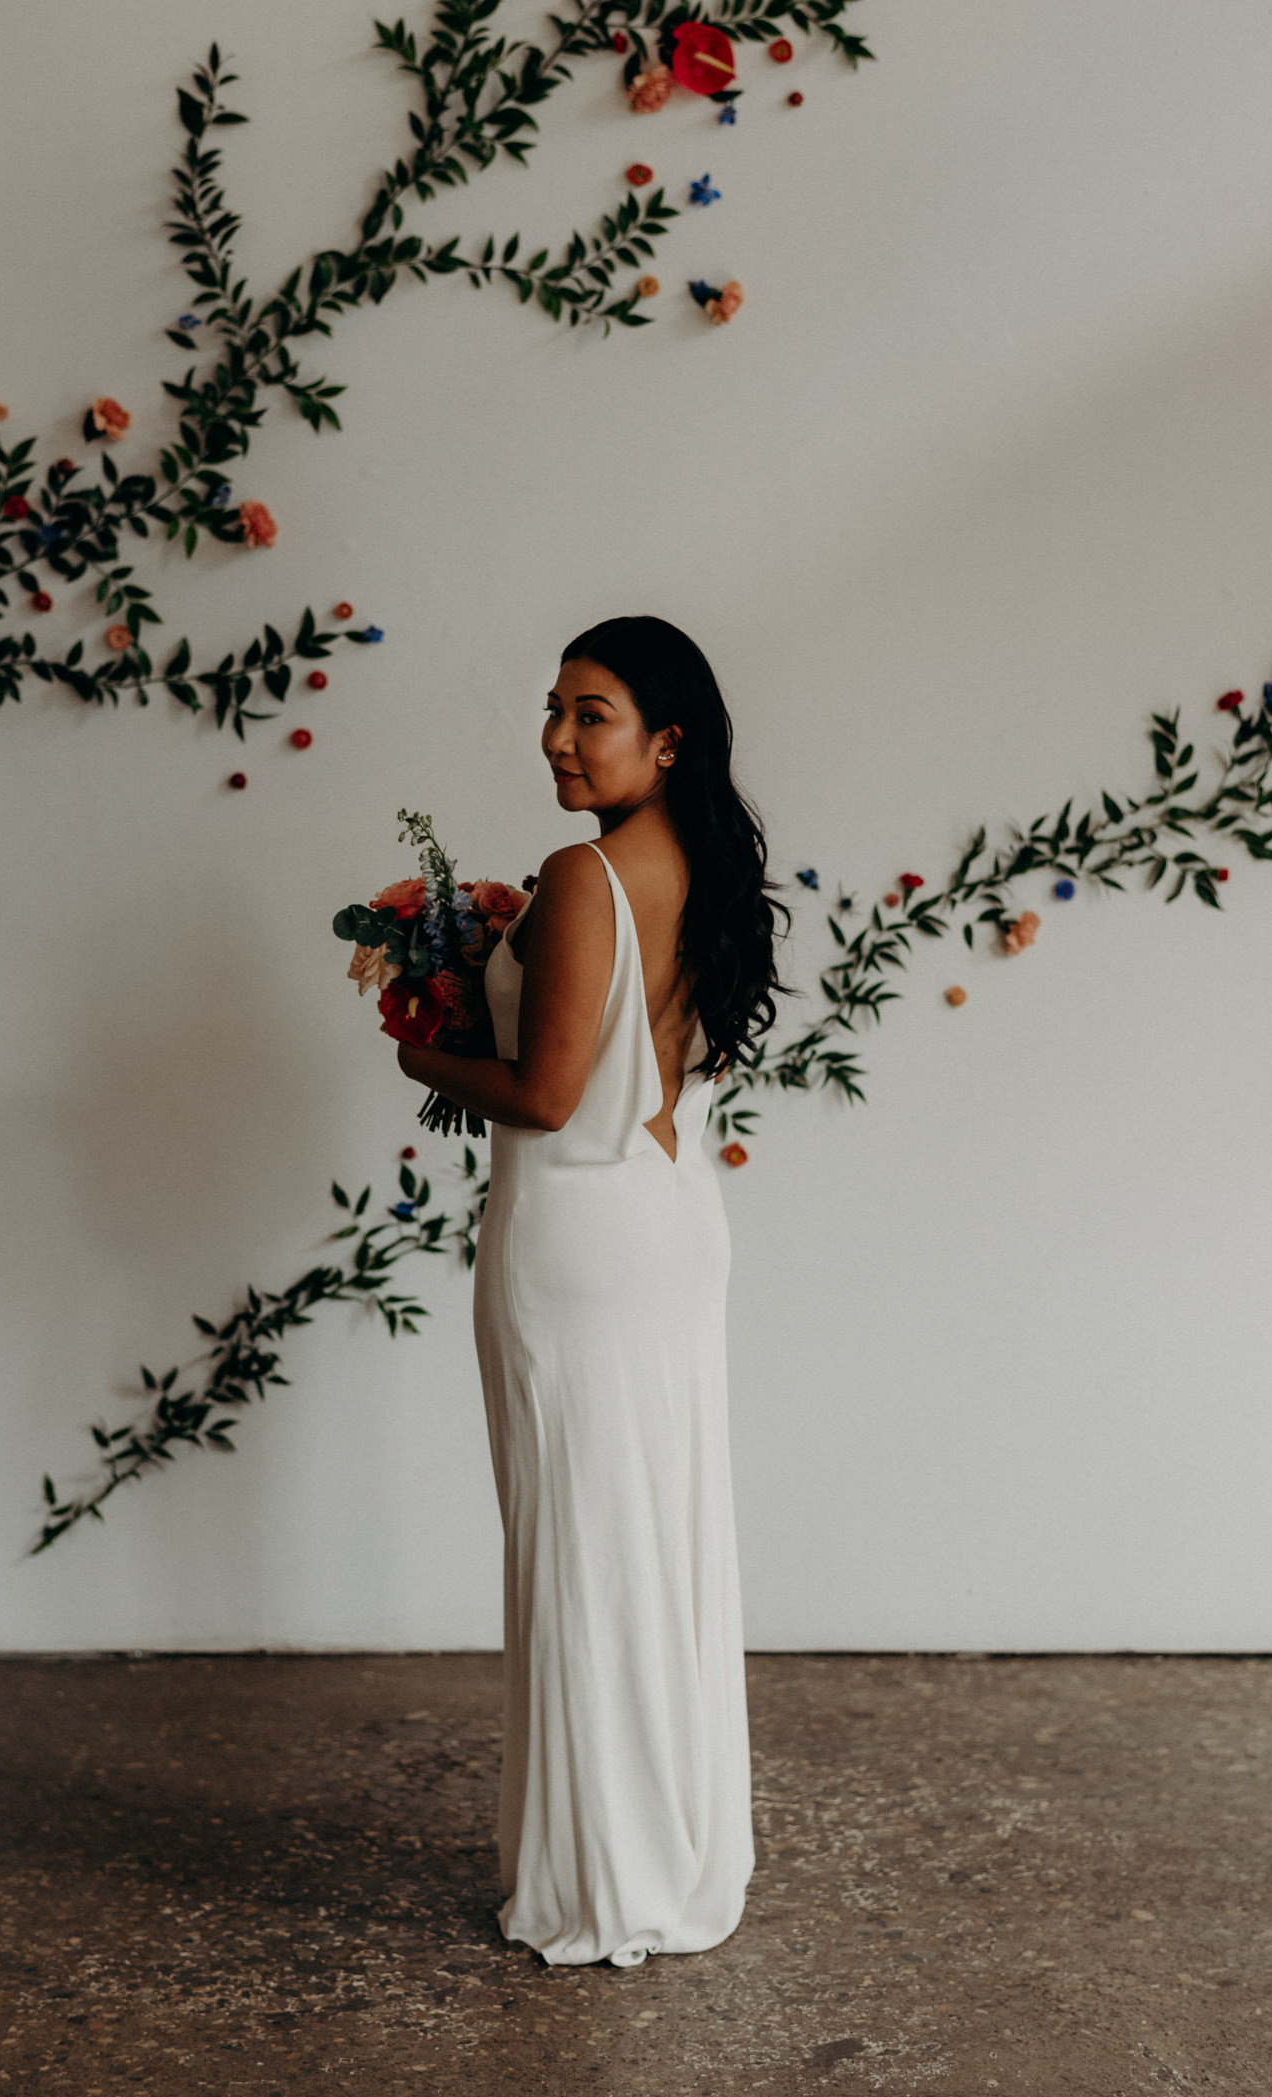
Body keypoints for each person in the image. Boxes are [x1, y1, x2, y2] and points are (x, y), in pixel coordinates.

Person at [394, 615, 792, 1967]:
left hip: (577, 1242)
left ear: (665, 738)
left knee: (583, 1555)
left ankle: (600, 1874)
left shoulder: (584, 872)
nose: (559, 737)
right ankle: (669, 1843)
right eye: (555, 707)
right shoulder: (698, 864)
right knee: (656, 1548)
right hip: (672, 1222)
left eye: (594, 712)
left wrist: (423, 1054)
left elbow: (549, 1096)